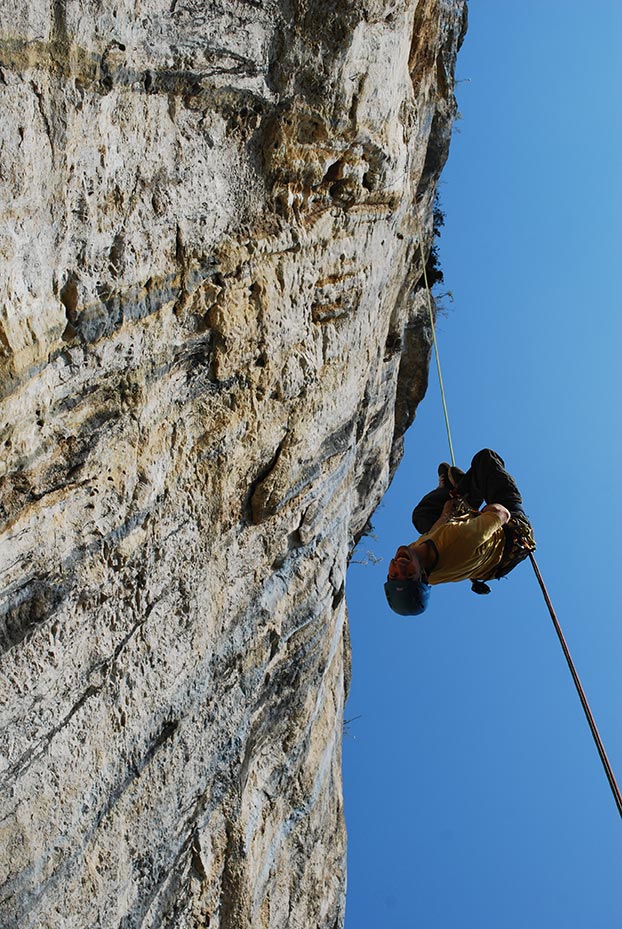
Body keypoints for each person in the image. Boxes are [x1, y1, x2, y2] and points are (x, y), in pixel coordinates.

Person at [384, 449, 536, 616]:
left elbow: (434, 533)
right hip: (509, 537)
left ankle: (461, 492)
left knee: (422, 517)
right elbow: (502, 514)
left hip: (476, 551)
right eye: (409, 573)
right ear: (424, 576)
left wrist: (445, 515)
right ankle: (466, 494)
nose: (400, 565)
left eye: (394, 574)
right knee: (485, 459)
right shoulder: (461, 539)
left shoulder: (415, 555)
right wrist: (485, 511)